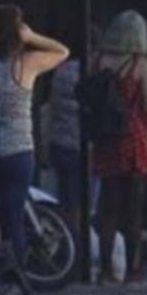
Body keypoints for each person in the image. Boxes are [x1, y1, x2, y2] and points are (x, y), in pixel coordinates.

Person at [0, 5, 68, 264]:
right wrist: (32, 36)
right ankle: (15, 275)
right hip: (18, 151)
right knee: (13, 221)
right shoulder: (25, 63)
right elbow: (62, 52)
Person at [91, 10, 147, 283]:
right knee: (134, 210)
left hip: (107, 139)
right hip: (133, 138)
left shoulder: (97, 60)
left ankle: (106, 269)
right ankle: (133, 268)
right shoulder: (140, 65)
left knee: (109, 208)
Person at [46, 26, 99, 242]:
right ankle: (78, 244)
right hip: (81, 146)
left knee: (65, 200)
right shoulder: (91, 73)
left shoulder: (60, 71)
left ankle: (66, 242)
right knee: (83, 203)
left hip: (59, 143)